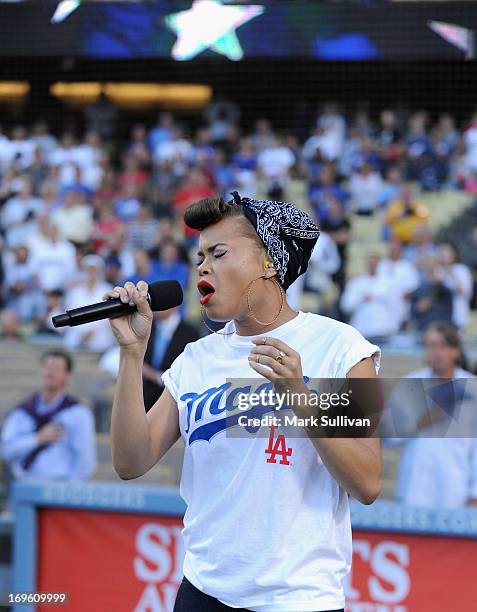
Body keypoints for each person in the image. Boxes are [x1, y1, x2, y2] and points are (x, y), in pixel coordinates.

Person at [106, 190, 381, 612]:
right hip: (202, 593)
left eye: (218, 252)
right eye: (199, 258)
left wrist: (300, 399)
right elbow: (130, 460)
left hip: (298, 600)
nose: (203, 266)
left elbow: (367, 482)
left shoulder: (341, 346)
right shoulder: (195, 358)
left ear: (269, 260)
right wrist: (131, 353)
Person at [383, 322, 477, 509]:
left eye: (442, 346)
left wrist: (474, 494)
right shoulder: (410, 382)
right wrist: (421, 423)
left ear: (455, 351)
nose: (436, 352)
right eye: (431, 346)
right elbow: (389, 436)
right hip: (414, 484)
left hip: (454, 488)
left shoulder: (472, 388)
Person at [1, 349, 97, 483]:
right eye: (47, 367)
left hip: (59, 487)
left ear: (67, 375)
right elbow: (5, 451)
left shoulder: (78, 413)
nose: (50, 372)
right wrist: (37, 439)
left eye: (57, 368)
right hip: (24, 483)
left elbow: (85, 459)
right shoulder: (22, 411)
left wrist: (71, 491)